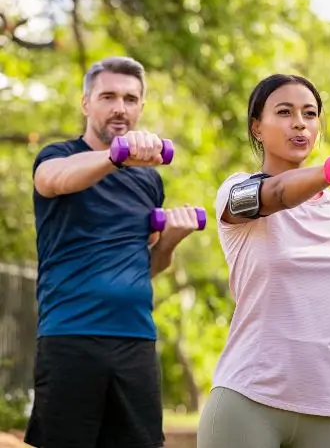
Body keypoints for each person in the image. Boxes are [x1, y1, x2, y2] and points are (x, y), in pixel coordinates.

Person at [197, 73, 330, 448]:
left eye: (309, 113)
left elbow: (307, 284)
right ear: (257, 127)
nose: (299, 123)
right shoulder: (236, 192)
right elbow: (278, 194)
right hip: (249, 398)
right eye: (284, 112)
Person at [25, 56, 203, 448]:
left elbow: (149, 265)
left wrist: (171, 238)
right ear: (86, 103)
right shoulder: (58, 156)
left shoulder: (149, 180)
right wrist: (114, 156)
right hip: (71, 335)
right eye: (108, 96)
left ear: (141, 106)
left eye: (130, 98)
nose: (120, 108)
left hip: (136, 340)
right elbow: (53, 181)